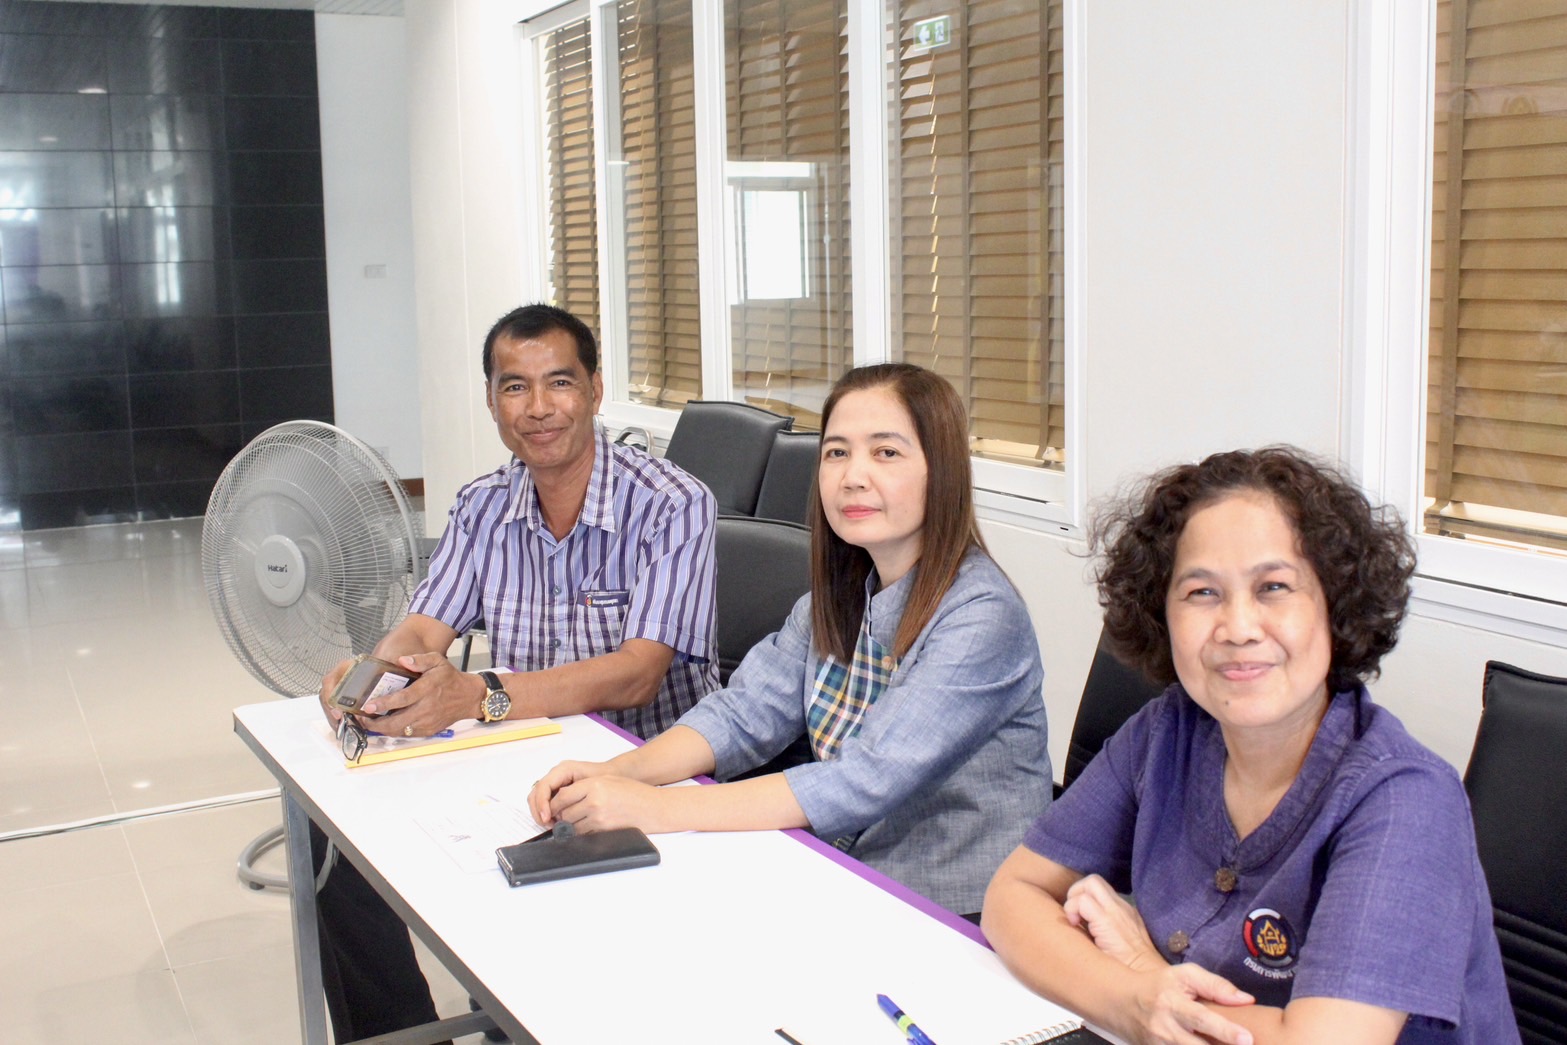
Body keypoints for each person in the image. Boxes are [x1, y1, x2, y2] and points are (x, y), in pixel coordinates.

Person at [983, 447, 1518, 1045]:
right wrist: (1134, 998)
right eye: (1201, 593)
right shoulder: (1169, 731)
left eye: (1274, 587)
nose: (1238, 627)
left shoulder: (1404, 801)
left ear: (1335, 605)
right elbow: (1012, 897)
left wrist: (1147, 971)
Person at [313, 303, 719, 1042]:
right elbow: (422, 630)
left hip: (646, 774)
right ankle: (396, 1027)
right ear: (492, 401)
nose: (538, 408)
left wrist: (478, 695)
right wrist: (367, 674)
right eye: (514, 387)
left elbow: (636, 675)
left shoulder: (671, 504)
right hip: (522, 759)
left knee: (523, 985)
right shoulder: (481, 504)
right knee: (333, 833)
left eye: (558, 382)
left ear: (595, 389)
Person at [529, 362, 1052, 918]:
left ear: (941, 472)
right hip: (846, 869)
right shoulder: (841, 593)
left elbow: (863, 779)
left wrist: (654, 807)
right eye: (836, 452)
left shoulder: (981, 615)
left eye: (887, 452)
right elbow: (743, 713)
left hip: (959, 910)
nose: (853, 476)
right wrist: (616, 772)